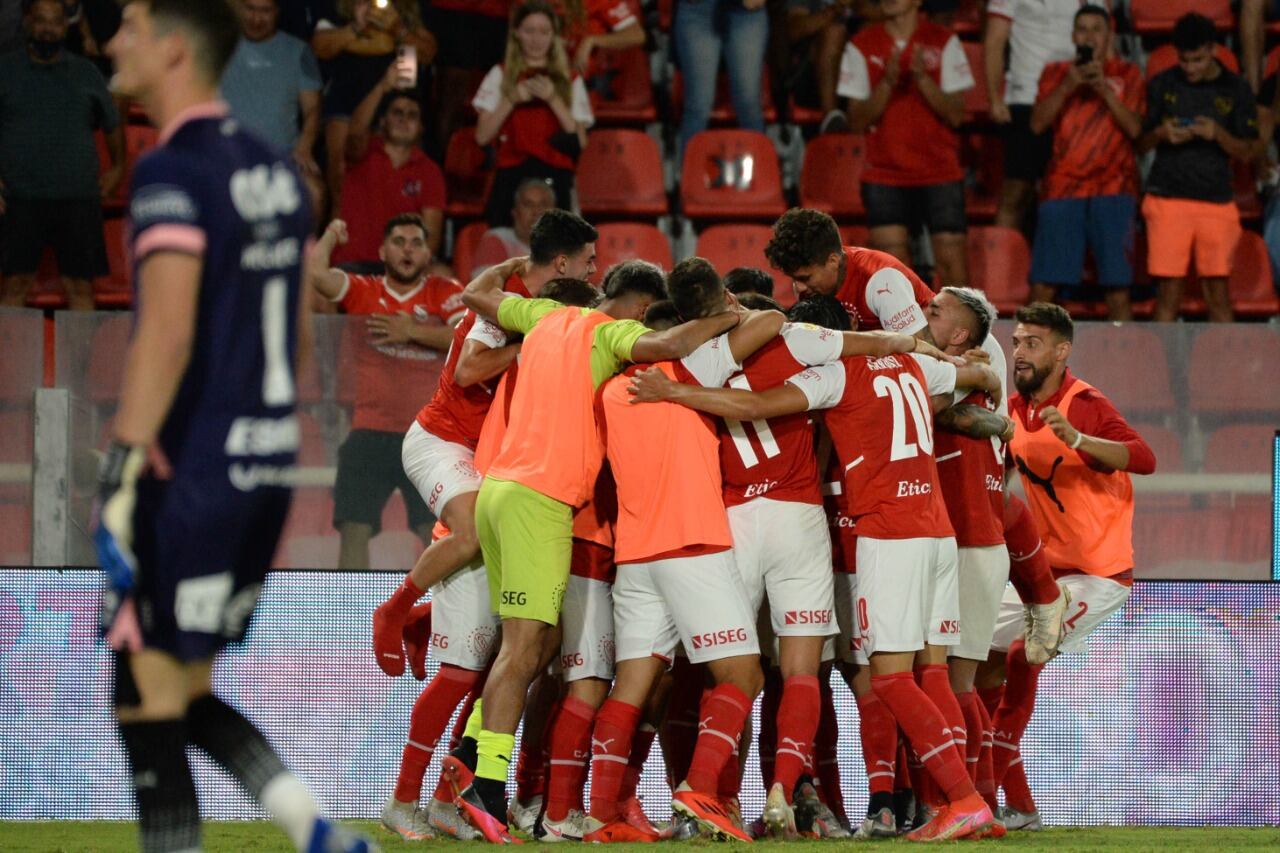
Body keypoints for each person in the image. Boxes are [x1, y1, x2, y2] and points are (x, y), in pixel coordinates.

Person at [93, 2, 372, 852]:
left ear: (174, 49)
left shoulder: (170, 169)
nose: (111, 41)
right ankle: (309, 825)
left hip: (190, 466)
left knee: (141, 695)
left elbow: (167, 332)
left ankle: (281, 828)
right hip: (264, 465)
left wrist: (123, 468)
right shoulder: (278, 170)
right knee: (171, 686)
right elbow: (290, 336)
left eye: (130, 27)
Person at [628, 304, 1005, 842]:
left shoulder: (833, 374)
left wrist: (676, 393)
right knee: (931, 672)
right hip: (938, 531)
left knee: (891, 677)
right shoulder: (915, 365)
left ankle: (963, 801)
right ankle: (963, 798)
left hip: (885, 532)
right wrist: (983, 370)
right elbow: (968, 375)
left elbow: (759, 403)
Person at [444, 248, 744, 844]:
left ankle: (472, 748)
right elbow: (665, 347)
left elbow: (475, 292)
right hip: (542, 499)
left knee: (538, 640)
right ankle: (488, 788)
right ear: (632, 307)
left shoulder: (540, 318)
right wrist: (723, 319)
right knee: (526, 649)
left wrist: (515, 260)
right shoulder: (611, 332)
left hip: (498, 489)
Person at [582, 259, 787, 843]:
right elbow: (771, 320)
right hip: (692, 545)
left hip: (636, 553)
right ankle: (700, 791)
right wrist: (727, 311)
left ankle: (602, 815)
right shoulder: (688, 367)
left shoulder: (608, 391)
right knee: (743, 674)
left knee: (632, 686)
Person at [370, 209, 599, 679]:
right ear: (561, 264)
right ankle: (393, 610)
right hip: (442, 439)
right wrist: (529, 344)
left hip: (487, 452)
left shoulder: (530, 301)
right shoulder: (508, 303)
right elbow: (467, 370)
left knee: (503, 547)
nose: (593, 271)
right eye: (588, 262)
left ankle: (425, 620)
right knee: (473, 531)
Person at [987, 301, 1155, 826]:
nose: (1020, 353)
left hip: (1099, 575)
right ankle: (1018, 806)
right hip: (1043, 571)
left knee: (1023, 653)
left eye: (1033, 344)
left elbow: (1144, 458)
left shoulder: (1084, 403)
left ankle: (991, 778)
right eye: (1016, 343)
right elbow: (1009, 481)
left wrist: (1080, 440)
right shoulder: (1013, 410)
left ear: (1063, 352)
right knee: (973, 658)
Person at [308, 213, 464, 569]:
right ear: (382, 251)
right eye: (398, 242)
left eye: (416, 243)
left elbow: (465, 336)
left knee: (434, 531)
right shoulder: (366, 291)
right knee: (353, 527)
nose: (407, 250)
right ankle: (352, 612)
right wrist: (332, 231)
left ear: (428, 254)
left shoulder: (445, 291)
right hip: (370, 430)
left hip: (426, 433)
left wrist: (411, 332)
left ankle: (435, 618)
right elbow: (316, 274)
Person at [838, 0, 974, 286]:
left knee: (953, 268)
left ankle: (963, 331)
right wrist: (887, 83)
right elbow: (856, 121)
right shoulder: (862, 45)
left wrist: (922, 79)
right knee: (893, 274)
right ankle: (909, 332)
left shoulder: (943, 41)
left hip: (940, 169)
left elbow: (957, 115)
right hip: (884, 172)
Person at [0, 0, 123, 311]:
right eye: (40, 21)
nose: (47, 29)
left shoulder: (86, 72)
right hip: (19, 197)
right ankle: (7, 362)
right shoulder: (5, 70)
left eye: (55, 22)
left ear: (66, 26)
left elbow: (112, 122)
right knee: (15, 285)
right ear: (27, 22)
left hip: (78, 198)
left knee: (80, 288)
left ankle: (80, 363)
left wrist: (119, 167)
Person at [1139, 12, 1260, 323]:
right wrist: (1162, 134)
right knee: (1168, 294)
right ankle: (1160, 372)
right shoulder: (1162, 83)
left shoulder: (1236, 89)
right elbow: (1139, 142)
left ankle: (1224, 372)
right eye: (1184, 60)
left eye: (1197, 60)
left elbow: (1250, 151)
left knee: (1217, 294)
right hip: (1167, 198)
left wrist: (1217, 135)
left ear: (1213, 50)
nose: (1190, 68)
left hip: (1216, 201)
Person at [1027, 4, 1142, 321]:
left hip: (1114, 188)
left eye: (1096, 29)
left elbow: (1135, 129)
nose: (1089, 36)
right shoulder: (1055, 72)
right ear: (1073, 35)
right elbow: (1037, 124)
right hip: (1063, 188)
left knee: (1117, 290)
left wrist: (1103, 89)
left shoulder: (1127, 74)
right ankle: (1026, 365)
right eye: (1082, 29)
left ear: (1109, 35)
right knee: (1044, 288)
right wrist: (1069, 86)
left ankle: (1127, 362)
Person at [474, 1, 593, 227]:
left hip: (556, 172)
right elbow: (481, 136)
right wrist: (511, 99)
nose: (536, 39)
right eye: (529, 31)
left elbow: (580, 141)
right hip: (511, 172)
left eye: (543, 32)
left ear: (554, 35)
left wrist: (553, 99)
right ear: (517, 33)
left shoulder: (570, 79)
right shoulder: (500, 74)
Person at [311, 0, 435, 214]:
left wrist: (398, 30)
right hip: (346, 93)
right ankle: (338, 227)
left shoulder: (406, 9)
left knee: (389, 169)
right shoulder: (339, 7)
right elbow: (319, 47)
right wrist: (355, 28)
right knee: (340, 169)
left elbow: (428, 52)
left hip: (393, 92)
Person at [984, 0, 1079, 235]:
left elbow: (1103, 35)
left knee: (1069, 191)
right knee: (1017, 191)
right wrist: (994, 97)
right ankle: (1001, 267)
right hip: (1026, 97)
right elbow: (994, 41)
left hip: (1076, 99)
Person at [220, 0, 324, 216]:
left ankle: (305, 249)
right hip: (226, 153)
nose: (257, 19)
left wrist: (304, 146)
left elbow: (313, 108)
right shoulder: (219, 44)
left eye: (265, 11)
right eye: (250, 9)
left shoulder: (299, 51)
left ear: (277, 12)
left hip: (281, 157)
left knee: (314, 192)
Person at [333, 72, 446, 265]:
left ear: (421, 128)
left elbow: (432, 237)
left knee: (445, 275)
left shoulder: (430, 171)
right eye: (397, 113)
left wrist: (406, 273)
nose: (404, 119)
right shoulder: (363, 152)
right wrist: (382, 87)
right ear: (383, 121)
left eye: (412, 115)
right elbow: (355, 132)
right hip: (350, 266)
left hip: (397, 271)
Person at [764, 207, 935, 332]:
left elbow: (918, 357)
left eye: (805, 278)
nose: (799, 288)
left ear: (833, 261)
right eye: (794, 279)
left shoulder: (881, 278)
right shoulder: (811, 287)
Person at [673, 0, 769, 157]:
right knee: (698, 106)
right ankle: (691, 178)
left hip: (747, 13)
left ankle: (757, 176)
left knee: (749, 104)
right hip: (697, 10)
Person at [469, 177, 556, 277]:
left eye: (543, 205)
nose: (536, 211)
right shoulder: (497, 240)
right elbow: (486, 289)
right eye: (528, 205)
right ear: (515, 212)